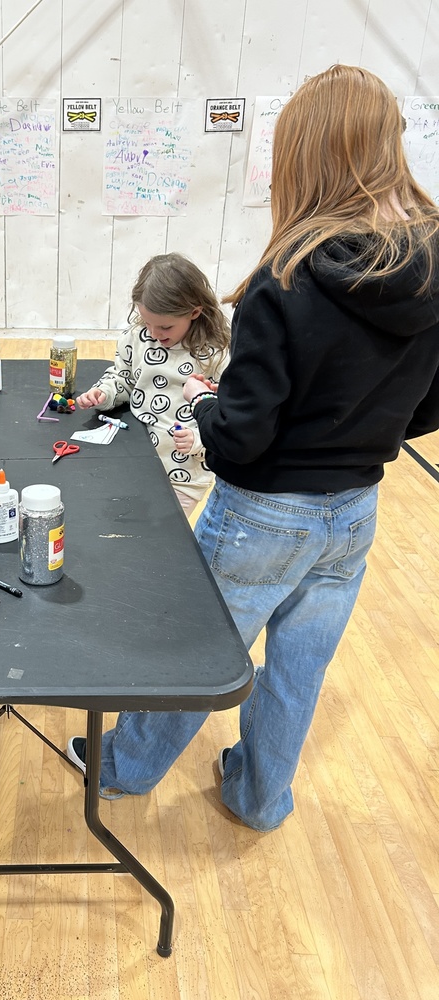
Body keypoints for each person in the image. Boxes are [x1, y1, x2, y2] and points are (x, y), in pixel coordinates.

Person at [68, 65, 439, 824]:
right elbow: (427, 406)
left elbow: (238, 444)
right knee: (298, 667)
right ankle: (261, 797)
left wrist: (208, 407)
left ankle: (130, 767)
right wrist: (357, 427)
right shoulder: (433, 262)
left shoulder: (287, 278)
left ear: (303, 157)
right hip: (357, 507)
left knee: (198, 652)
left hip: (265, 513)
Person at [75, 253, 230, 515]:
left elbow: (229, 422)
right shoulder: (137, 337)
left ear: (194, 312)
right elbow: (124, 378)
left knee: (163, 539)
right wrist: (105, 393)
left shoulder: (217, 356)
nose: (155, 334)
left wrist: (198, 440)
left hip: (183, 478)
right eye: (147, 322)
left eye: (165, 327)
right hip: (133, 462)